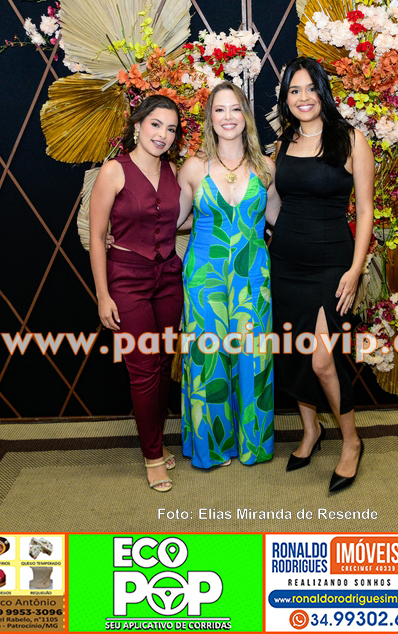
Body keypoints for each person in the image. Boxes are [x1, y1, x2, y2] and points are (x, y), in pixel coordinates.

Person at [270, 57, 373, 492]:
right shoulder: (285, 142)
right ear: (286, 99)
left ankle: (351, 441)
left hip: (332, 264)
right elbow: (274, 205)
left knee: (321, 359)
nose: (303, 97)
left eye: (311, 88)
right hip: (285, 263)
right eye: (294, 90)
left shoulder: (350, 139)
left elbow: (365, 210)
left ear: (323, 92)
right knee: (295, 353)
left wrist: (355, 268)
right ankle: (311, 431)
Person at [176, 82, 281, 469]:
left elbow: (279, 219)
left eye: (235, 108)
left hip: (253, 276)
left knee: (254, 357)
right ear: (210, 118)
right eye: (219, 110)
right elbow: (173, 221)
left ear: (246, 116)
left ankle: (254, 444)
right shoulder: (194, 168)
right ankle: (213, 447)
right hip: (205, 276)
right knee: (209, 359)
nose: (228, 117)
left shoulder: (266, 168)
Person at [89, 95, 184, 492]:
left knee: (162, 365)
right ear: (138, 124)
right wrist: (103, 295)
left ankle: (155, 438)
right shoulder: (114, 170)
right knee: (143, 368)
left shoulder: (174, 170)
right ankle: (152, 455)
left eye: (171, 129)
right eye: (156, 124)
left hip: (169, 279)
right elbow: (97, 237)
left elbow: (179, 219)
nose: (163, 134)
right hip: (127, 279)